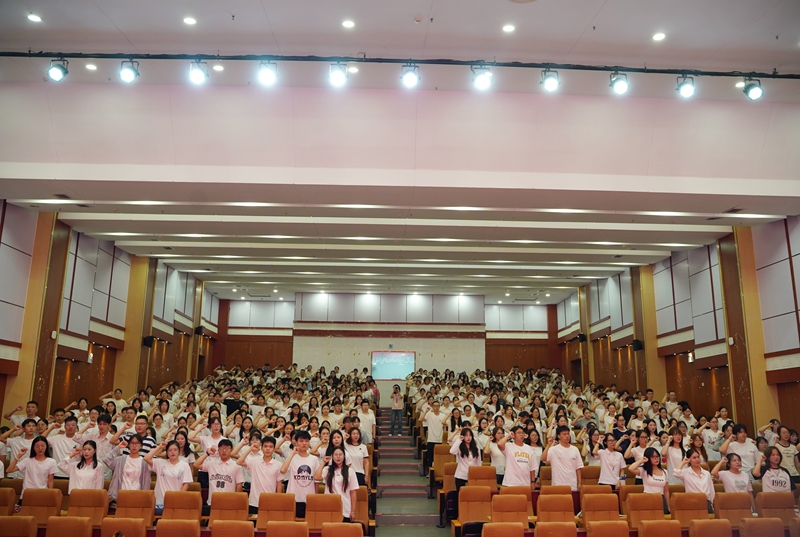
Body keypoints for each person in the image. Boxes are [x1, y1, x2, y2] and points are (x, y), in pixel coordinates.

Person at [194, 439, 245, 516]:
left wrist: (235, 500)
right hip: (212, 502)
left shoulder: (236, 466)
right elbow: (196, 464)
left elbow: (239, 484)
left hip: (229, 502)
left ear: (231, 450)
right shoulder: (212, 464)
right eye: (221, 449)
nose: (224, 451)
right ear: (218, 450)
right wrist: (207, 453)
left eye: (227, 449)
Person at [237, 436, 283, 515]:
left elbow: (279, 484)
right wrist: (250, 449)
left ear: (274, 449)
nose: (268, 449)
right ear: (261, 448)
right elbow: (239, 462)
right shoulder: (254, 461)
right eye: (265, 446)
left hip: (270, 501)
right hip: (254, 502)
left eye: (270, 447)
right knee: (252, 522)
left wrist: (277, 500)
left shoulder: (278, 464)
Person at [145, 441, 193, 514]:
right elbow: (146, 458)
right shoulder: (160, 463)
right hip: (159, 501)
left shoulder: (184, 465)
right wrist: (159, 447)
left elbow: (186, 484)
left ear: (179, 451)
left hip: (175, 501)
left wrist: (178, 498)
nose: (173, 452)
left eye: (175, 450)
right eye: (170, 450)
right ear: (166, 452)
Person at [280, 430, 320, 518]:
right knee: (291, 523)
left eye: (306, 441)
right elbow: (282, 470)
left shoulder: (314, 459)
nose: (304, 443)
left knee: (308, 523)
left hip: (308, 497)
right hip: (293, 497)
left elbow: (316, 481)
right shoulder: (292, 457)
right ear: (296, 442)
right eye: (301, 441)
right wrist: (293, 454)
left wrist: (315, 497)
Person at [315, 445, 359, 522]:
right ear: (332, 456)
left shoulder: (350, 471)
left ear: (344, 456)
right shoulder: (327, 469)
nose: (338, 457)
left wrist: (353, 511)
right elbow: (317, 477)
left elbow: (353, 492)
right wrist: (323, 462)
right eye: (335, 454)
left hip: (345, 507)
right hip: (329, 506)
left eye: (340, 454)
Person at [104, 435, 151, 502]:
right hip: (120, 496)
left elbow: (146, 482)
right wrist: (118, 447)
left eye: (137, 443)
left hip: (137, 496)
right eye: (132, 443)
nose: (134, 446)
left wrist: (143, 498)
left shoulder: (144, 463)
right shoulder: (120, 460)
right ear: (128, 445)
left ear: (141, 445)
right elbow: (106, 460)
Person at [542, 425, 583, 491]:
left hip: (572, 484)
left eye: (568, 434)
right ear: (559, 436)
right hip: (557, 484)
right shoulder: (553, 449)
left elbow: (578, 468)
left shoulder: (575, 449)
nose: (567, 436)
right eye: (564, 434)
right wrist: (548, 445)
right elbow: (543, 459)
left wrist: (579, 483)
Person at [629, 447, 670, 514]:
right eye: (653, 457)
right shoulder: (644, 470)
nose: (656, 459)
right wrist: (641, 461)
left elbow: (666, 490)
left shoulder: (664, 471)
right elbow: (631, 468)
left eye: (657, 456)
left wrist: (668, 505)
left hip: (661, 498)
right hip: (647, 497)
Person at [496, 426, 538, 490]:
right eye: (519, 433)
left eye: (522, 433)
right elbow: (499, 444)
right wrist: (508, 435)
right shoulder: (508, 446)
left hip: (525, 483)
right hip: (510, 483)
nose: (521, 434)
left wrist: (532, 482)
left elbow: (532, 468)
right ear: (513, 435)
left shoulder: (529, 449)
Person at [422, 401, 444, 471]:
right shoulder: (429, 415)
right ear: (433, 407)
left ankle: (438, 471)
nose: (436, 407)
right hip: (431, 440)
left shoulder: (443, 415)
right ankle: (429, 473)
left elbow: (445, 425)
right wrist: (426, 412)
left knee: (439, 459)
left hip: (440, 440)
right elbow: (421, 419)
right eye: (435, 406)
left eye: (438, 406)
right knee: (430, 457)